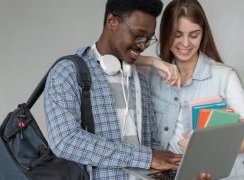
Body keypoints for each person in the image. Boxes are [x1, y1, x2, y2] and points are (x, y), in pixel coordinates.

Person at [43, 0, 184, 179]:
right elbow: (65, 140)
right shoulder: (67, 72)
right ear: (112, 22)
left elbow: (153, 145)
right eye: (138, 35)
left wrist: (177, 169)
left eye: (148, 39)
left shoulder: (140, 78)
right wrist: (145, 158)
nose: (142, 45)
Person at [136, 0, 244, 179]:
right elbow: (113, 57)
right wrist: (152, 61)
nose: (185, 43)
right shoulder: (152, 73)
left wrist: (201, 147)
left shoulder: (224, 77)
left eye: (194, 35)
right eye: (177, 35)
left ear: (203, 34)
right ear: (165, 34)